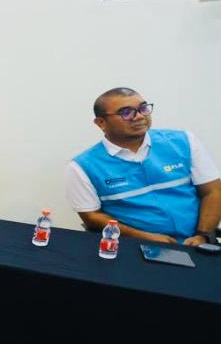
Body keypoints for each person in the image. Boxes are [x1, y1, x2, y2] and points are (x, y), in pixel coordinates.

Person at [66, 87, 220, 245]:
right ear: (101, 123)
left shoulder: (183, 142)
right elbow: (91, 216)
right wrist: (142, 237)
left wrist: (203, 235)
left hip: (196, 242)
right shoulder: (82, 166)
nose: (139, 116)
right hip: (132, 246)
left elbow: (213, 191)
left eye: (143, 108)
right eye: (126, 112)